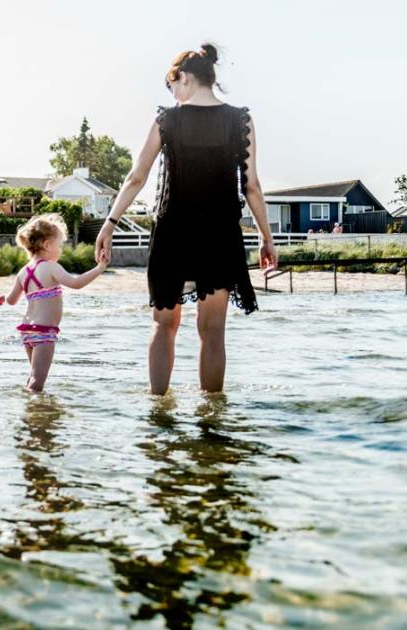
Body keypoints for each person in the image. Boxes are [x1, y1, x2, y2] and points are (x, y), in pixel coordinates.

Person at [95, 42, 277, 395]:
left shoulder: (168, 119)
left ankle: (160, 415)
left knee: (164, 325)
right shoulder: (240, 119)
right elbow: (251, 185)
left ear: (183, 78)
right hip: (220, 233)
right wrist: (266, 238)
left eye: (173, 86)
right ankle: (211, 421)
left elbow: (137, 176)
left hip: (173, 233)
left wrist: (110, 223)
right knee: (213, 331)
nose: (174, 95)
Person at [0, 213, 108, 392]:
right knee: (37, 381)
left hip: (26, 331)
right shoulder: (50, 267)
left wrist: (4, 297)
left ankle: (31, 409)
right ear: (47, 245)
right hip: (43, 332)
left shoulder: (23, 271)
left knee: (34, 375)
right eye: (60, 245)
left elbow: (11, 300)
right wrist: (100, 268)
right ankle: (36, 413)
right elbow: (76, 283)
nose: (61, 250)